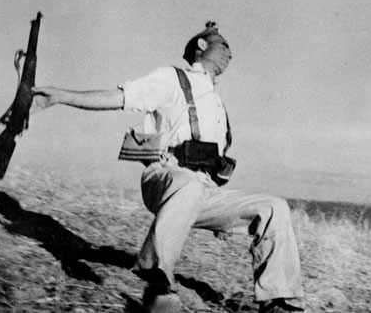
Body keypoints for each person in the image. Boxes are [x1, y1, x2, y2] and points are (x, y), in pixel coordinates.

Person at [32, 22, 305, 313]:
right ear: (202, 46)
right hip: (165, 176)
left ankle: (279, 302)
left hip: (202, 189)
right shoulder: (172, 78)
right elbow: (119, 98)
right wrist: (60, 96)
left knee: (274, 207)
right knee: (186, 185)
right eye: (224, 46)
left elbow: (214, 163)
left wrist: (225, 215)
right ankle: (158, 282)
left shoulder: (217, 103)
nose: (230, 54)